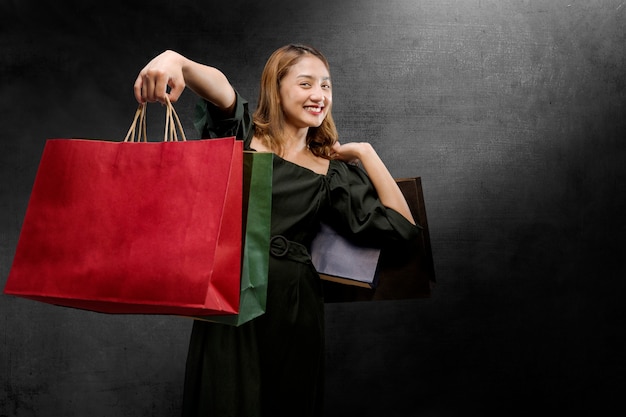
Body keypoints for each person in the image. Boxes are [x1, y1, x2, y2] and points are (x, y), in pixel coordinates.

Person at [134, 44, 420, 417]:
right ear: (276, 87)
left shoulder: (330, 173)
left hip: (296, 308)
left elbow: (404, 232)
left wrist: (366, 153)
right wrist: (179, 62)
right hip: (233, 296)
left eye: (326, 86)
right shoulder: (243, 136)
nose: (319, 95)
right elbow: (222, 92)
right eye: (306, 83)